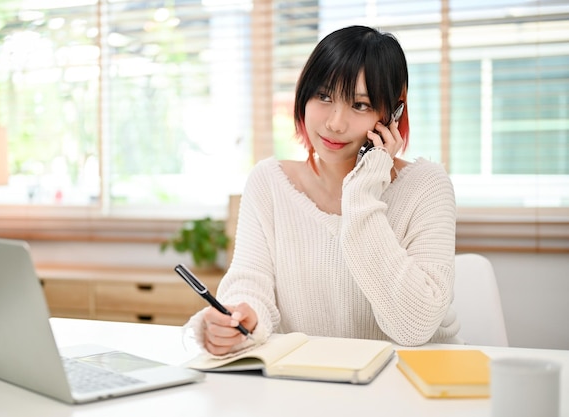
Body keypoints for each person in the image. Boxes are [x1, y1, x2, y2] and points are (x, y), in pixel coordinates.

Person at [186, 25, 461, 356]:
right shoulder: (269, 182)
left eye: (360, 105)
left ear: (391, 114)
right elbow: (251, 282)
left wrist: (361, 195)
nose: (335, 123)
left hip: (410, 384)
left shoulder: (426, 186)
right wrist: (242, 318)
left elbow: (413, 326)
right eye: (324, 97)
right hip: (309, 384)